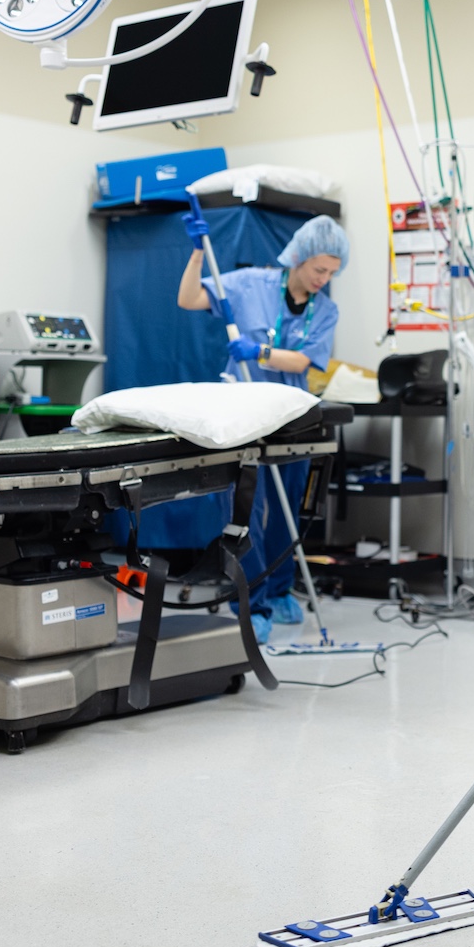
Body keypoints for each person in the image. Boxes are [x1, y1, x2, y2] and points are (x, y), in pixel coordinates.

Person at [178, 212, 345, 644]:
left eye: (331, 272)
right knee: (245, 508)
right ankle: (250, 601)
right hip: (244, 412)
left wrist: (260, 351)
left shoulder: (325, 310)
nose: (323, 279)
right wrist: (198, 253)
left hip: (290, 416)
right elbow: (189, 299)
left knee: (286, 509)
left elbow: (304, 361)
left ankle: (281, 586)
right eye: (318, 269)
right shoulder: (250, 282)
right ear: (298, 258)